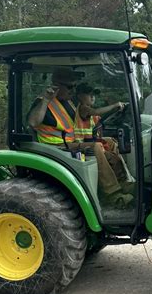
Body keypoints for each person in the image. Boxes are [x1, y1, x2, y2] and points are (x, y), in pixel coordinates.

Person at [27, 69, 133, 207]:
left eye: (74, 86)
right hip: (55, 148)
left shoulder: (68, 103)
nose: (73, 90)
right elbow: (33, 122)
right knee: (94, 147)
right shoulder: (43, 103)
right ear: (57, 86)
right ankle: (112, 195)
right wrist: (47, 99)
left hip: (71, 143)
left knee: (108, 144)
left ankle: (123, 183)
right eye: (70, 87)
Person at [75, 83, 134, 194]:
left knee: (111, 142)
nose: (92, 97)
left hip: (89, 141)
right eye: (88, 94)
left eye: (93, 95)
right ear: (79, 96)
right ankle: (112, 190)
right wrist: (114, 105)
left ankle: (123, 180)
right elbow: (96, 112)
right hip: (81, 144)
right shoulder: (83, 108)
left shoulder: (91, 113)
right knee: (106, 153)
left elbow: (99, 122)